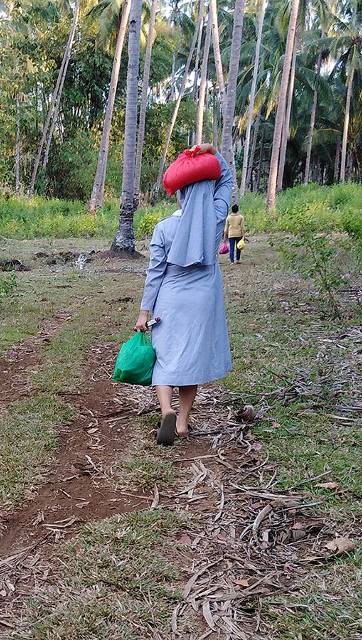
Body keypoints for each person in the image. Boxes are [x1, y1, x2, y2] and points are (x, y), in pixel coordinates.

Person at [134, 143, 234, 445]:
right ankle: (182, 422)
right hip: (203, 298)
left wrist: (143, 312)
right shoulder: (216, 218)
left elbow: (155, 273)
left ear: (181, 193)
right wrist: (212, 151)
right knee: (192, 358)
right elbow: (227, 179)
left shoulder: (164, 228)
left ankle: (166, 409)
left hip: (170, 296)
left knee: (164, 358)